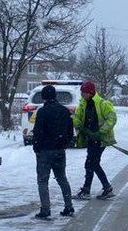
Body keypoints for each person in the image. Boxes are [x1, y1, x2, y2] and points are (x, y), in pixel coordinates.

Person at [32, 85, 75, 220]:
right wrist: (64, 144)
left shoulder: (42, 112)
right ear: (55, 96)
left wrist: (36, 147)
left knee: (43, 180)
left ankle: (45, 209)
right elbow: (70, 131)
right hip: (59, 150)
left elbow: (38, 131)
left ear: (44, 97)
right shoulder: (64, 111)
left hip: (45, 150)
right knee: (62, 178)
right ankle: (68, 206)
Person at [72, 80, 117, 200]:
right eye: (82, 92)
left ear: (91, 92)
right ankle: (98, 188)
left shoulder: (103, 103)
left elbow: (111, 119)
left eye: (84, 92)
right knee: (91, 163)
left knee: (92, 163)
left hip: (101, 139)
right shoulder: (83, 104)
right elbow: (77, 117)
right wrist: (79, 125)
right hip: (90, 138)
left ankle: (101, 188)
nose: (82, 95)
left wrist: (101, 132)